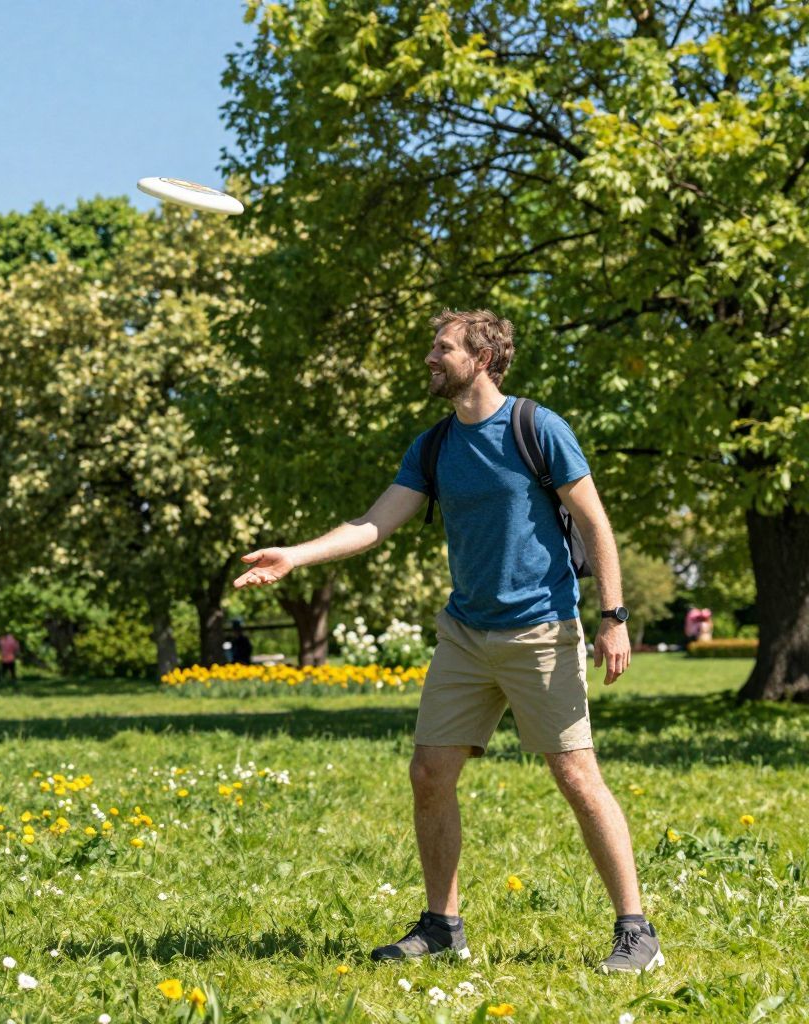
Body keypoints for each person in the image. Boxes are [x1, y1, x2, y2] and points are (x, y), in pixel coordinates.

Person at [236, 309, 659, 974]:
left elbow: (594, 521)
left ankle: (636, 932)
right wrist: (296, 554)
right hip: (465, 633)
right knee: (429, 774)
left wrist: (614, 615)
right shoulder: (433, 446)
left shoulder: (536, 427)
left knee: (576, 774)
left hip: (541, 629)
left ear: (484, 356)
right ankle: (442, 927)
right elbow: (375, 524)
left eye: (443, 348)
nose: (430, 358)